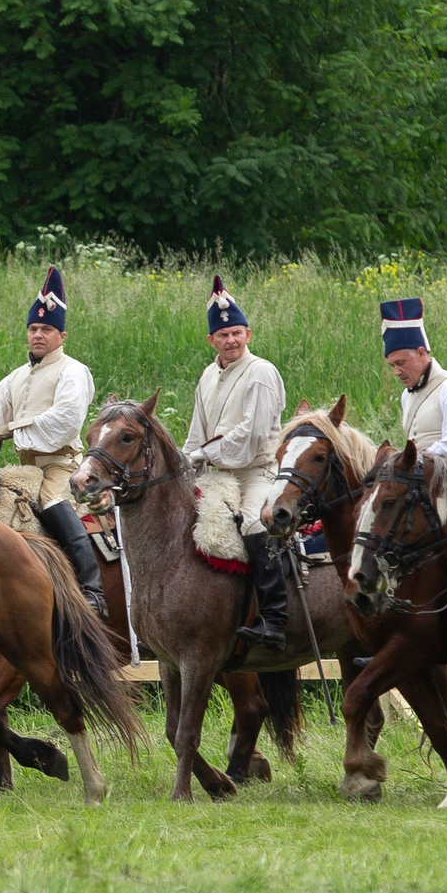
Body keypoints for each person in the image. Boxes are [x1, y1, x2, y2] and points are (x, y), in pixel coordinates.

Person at [0, 265, 104, 612]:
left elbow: (64, 421)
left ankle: (92, 588)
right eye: (34, 328)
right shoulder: (16, 377)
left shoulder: (73, 371)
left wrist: (11, 429)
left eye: (47, 329)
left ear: (62, 336)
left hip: (60, 465)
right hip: (25, 468)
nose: (39, 334)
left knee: (53, 502)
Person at [184, 275, 290, 647]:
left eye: (237, 333)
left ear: (248, 334)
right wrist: (186, 463)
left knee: (250, 524)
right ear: (212, 340)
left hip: (256, 470)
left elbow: (252, 435)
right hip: (218, 472)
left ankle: (275, 618)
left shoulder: (261, 372)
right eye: (223, 334)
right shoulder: (208, 376)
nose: (231, 340)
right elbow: (197, 432)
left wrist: (204, 454)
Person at [380, 297, 447, 459]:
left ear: (421, 353)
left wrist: (415, 461)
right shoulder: (406, 396)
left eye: (400, 363)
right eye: (392, 365)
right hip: (425, 478)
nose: (396, 372)